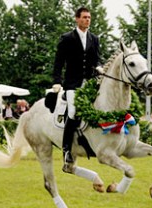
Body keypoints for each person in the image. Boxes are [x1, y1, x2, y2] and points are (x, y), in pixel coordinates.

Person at [51, 7, 102, 167]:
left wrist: (100, 67)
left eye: (89, 17)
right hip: (73, 84)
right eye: (85, 17)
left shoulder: (94, 39)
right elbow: (58, 62)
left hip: (90, 83)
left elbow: (97, 59)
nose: (88, 20)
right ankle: (66, 149)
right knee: (73, 112)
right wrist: (57, 81)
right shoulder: (67, 38)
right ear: (77, 19)